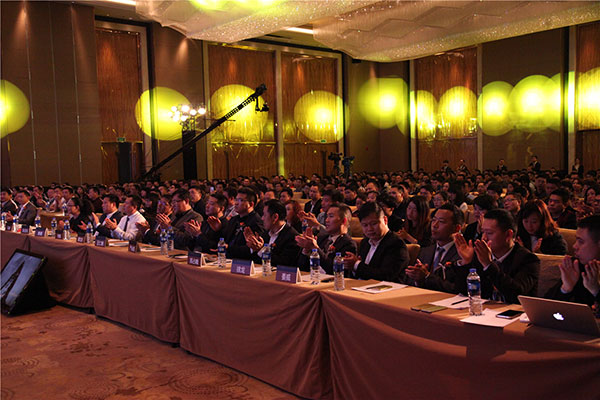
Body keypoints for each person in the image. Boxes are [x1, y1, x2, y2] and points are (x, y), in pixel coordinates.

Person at [453, 209, 540, 304]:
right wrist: (466, 262)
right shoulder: (480, 254)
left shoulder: (528, 259)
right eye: (483, 232)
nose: (484, 238)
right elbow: (462, 292)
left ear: (508, 235)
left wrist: (488, 265)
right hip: (485, 309)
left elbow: (516, 293)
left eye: (489, 233)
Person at [342, 202, 409, 282]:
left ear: (385, 220)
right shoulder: (365, 242)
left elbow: (385, 276)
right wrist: (351, 266)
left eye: (374, 224)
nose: (370, 229)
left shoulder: (396, 244)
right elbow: (362, 272)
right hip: (361, 286)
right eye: (365, 225)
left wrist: (356, 264)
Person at [405, 204, 464, 292]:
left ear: (456, 228)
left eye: (441, 222)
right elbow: (409, 281)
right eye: (433, 220)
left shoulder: (462, 255)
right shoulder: (426, 251)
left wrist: (427, 277)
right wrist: (418, 280)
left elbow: (457, 289)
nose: (434, 225)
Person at [546, 215, 600, 306]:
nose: (574, 246)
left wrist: (596, 291)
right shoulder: (577, 266)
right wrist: (565, 288)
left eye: (581, 241)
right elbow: (545, 306)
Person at [296, 203, 357, 274]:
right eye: (327, 216)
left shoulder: (348, 244)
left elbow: (334, 270)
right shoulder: (321, 238)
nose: (326, 220)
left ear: (343, 221)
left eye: (331, 216)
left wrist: (315, 248)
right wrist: (306, 249)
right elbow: (301, 268)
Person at [244, 200, 300, 268]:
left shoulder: (292, 237)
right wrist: (253, 246)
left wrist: (261, 250)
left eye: (264, 215)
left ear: (275, 217)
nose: (262, 218)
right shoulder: (266, 234)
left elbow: (283, 264)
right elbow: (256, 261)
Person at [217, 187, 264, 260]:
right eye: (236, 199)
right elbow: (224, 239)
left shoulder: (256, 222)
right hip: (227, 258)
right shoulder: (234, 219)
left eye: (241, 200)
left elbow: (251, 249)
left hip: (244, 262)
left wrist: (228, 247)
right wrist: (218, 229)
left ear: (251, 204)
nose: (236, 203)